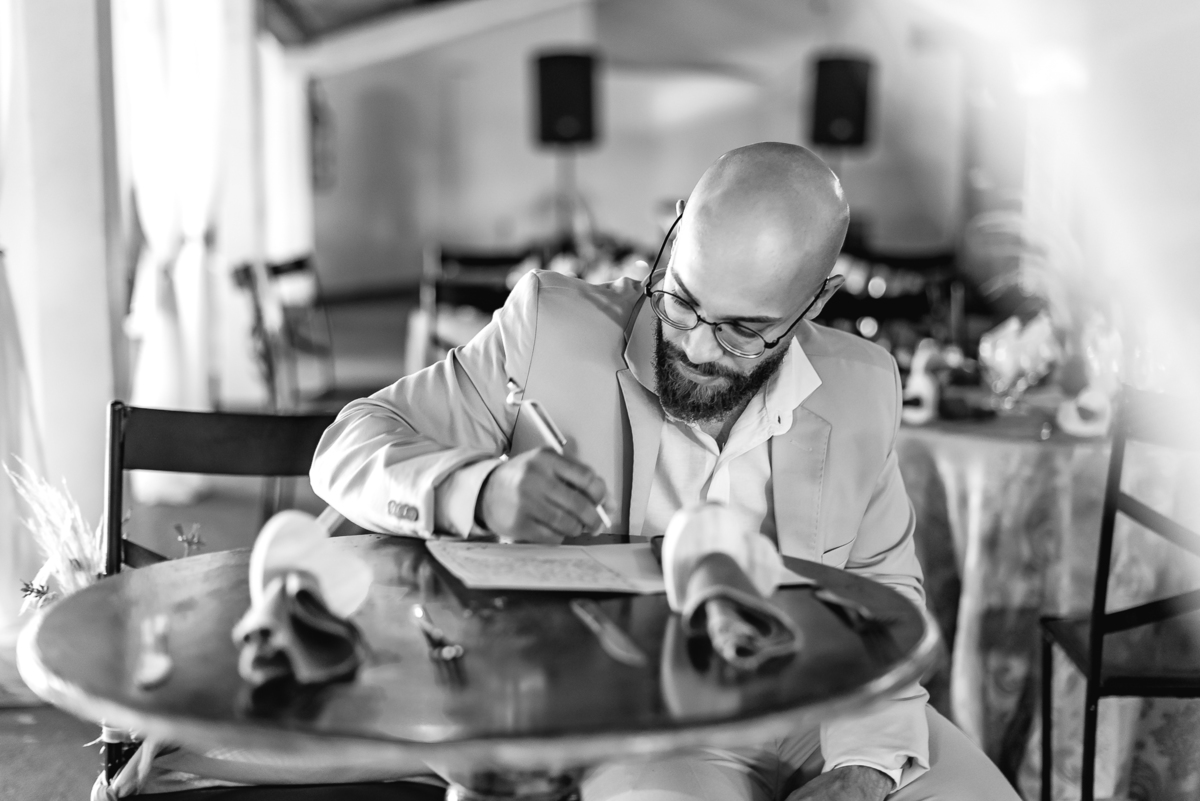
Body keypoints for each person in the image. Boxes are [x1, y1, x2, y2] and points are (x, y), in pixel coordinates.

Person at [311, 142, 1018, 801]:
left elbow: (886, 595)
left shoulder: (863, 385)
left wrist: (864, 769)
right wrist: (481, 490)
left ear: (818, 300)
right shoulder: (549, 327)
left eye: (742, 330)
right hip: (640, 720)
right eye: (681, 301)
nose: (697, 348)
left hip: (827, 709)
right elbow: (348, 445)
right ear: (676, 233)